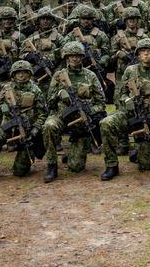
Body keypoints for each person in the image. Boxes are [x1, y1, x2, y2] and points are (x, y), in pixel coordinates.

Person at [98, 38, 150, 179]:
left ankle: (138, 153)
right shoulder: (130, 71)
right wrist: (129, 102)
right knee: (106, 123)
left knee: (145, 166)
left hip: (148, 119)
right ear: (138, 54)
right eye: (142, 51)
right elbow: (120, 94)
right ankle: (111, 165)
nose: (146, 54)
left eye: (149, 51)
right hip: (129, 114)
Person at [41, 42, 105, 182]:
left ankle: (73, 152)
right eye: (71, 56)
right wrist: (59, 93)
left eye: (78, 56)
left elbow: (101, 102)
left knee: (76, 167)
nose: (75, 59)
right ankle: (52, 165)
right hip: (61, 116)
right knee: (49, 126)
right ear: (66, 57)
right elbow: (50, 103)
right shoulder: (58, 76)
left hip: (82, 121)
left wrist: (89, 111)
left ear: (82, 57)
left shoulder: (90, 76)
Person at [0, 60, 48, 185]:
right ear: (13, 74)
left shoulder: (35, 90)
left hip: (26, 131)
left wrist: (36, 128)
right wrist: (4, 108)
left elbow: (43, 114)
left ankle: (25, 154)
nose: (21, 75)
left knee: (20, 172)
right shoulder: (7, 88)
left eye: (24, 72)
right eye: (18, 73)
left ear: (29, 74)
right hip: (7, 127)